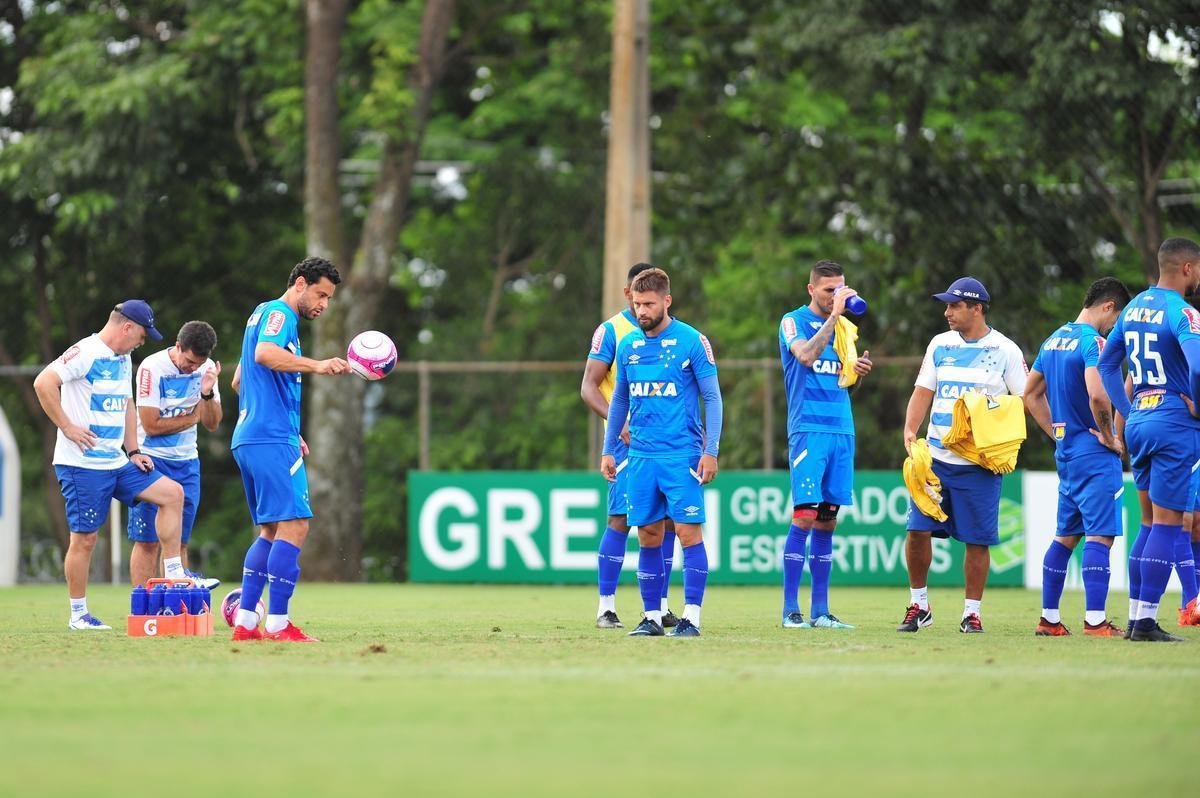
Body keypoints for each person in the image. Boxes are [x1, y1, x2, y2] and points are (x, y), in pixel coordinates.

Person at [33, 300, 187, 630]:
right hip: (82, 466)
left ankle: (175, 572)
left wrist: (133, 451)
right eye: (142, 336)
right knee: (85, 540)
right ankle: (78, 615)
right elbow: (43, 383)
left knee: (172, 494)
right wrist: (68, 427)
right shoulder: (85, 352)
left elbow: (127, 403)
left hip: (117, 463)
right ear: (127, 327)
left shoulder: (124, 356)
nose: (142, 343)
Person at [228, 257, 351, 642]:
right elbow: (264, 355)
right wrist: (317, 365)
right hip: (268, 437)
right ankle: (279, 624)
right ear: (300, 283)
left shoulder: (261, 313)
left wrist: (284, 423)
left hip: (252, 435)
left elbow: (238, 379)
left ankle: (247, 624)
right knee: (295, 524)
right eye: (320, 294)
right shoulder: (280, 313)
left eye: (329, 299)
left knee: (270, 530)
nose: (324, 305)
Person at [899, 277, 1027, 634]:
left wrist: (988, 416)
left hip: (979, 465)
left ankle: (971, 613)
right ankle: (918, 605)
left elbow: (1023, 400)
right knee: (917, 531)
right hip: (935, 459)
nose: (947, 312)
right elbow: (923, 391)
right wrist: (910, 430)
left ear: (977, 308)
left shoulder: (1006, 351)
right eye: (947, 305)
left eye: (954, 306)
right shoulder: (940, 344)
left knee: (977, 540)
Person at [601, 267, 723, 638]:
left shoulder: (691, 341)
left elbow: (713, 398)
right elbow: (620, 398)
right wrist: (609, 449)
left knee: (687, 534)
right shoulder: (627, 346)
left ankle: (692, 617)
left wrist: (711, 450)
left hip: (681, 455)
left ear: (666, 301)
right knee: (648, 536)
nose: (642, 311)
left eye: (649, 304)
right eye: (637, 304)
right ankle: (652, 617)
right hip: (638, 457)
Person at [1098, 237, 1200, 642]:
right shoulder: (1184, 312)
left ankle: (1137, 615)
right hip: (1173, 422)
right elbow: (1197, 367)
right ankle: (1144, 623)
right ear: (1188, 269)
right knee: (1170, 525)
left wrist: (1130, 407)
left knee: (1148, 522)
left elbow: (1108, 363)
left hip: (1139, 420)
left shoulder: (1135, 307)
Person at [1023, 277, 1131, 637]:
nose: (1114, 327)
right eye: (1116, 319)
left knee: (1065, 536)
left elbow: (1030, 394)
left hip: (1067, 452)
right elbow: (1099, 396)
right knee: (1100, 537)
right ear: (1108, 307)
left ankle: (1049, 619)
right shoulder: (1093, 342)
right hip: (1094, 454)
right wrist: (1109, 436)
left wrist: (1057, 432)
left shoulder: (1053, 339)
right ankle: (1096, 621)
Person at [581, 262, 678, 629]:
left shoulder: (668, 330)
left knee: (666, 522)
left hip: (665, 441)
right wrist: (617, 422)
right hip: (624, 445)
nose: (642, 308)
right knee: (621, 518)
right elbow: (588, 386)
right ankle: (606, 607)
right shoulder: (612, 331)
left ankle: (661, 606)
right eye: (637, 299)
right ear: (628, 294)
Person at [777, 260, 873, 629]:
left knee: (827, 522)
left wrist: (857, 372)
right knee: (803, 516)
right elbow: (804, 355)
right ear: (811, 289)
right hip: (808, 430)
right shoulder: (793, 321)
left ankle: (820, 612)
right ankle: (790, 611)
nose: (837, 296)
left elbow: (841, 380)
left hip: (841, 430)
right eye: (829, 290)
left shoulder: (846, 328)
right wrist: (833, 317)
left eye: (841, 289)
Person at [127, 321, 223, 590]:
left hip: (187, 462)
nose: (193, 368)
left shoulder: (206, 369)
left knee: (179, 542)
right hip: (150, 461)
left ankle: (174, 607)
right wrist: (194, 416)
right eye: (190, 360)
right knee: (147, 541)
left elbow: (213, 423)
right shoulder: (152, 368)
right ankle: (143, 607)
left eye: (199, 362)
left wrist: (206, 393)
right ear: (178, 346)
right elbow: (151, 425)